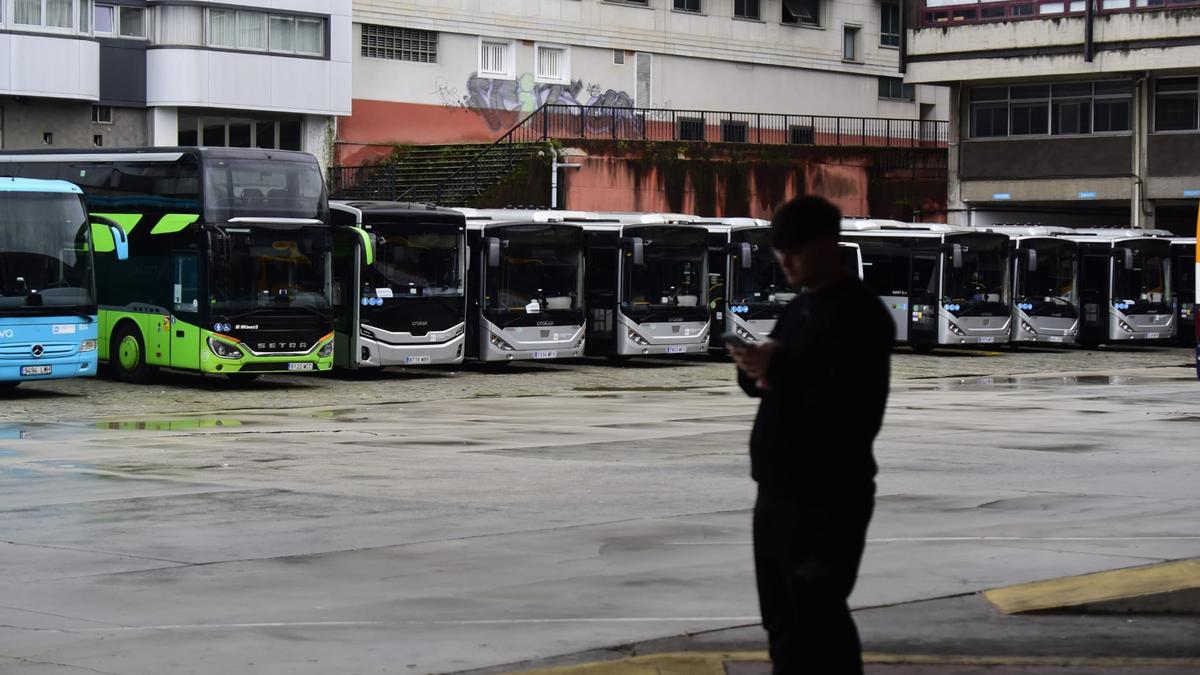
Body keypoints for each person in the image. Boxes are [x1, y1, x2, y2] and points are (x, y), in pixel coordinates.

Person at [730, 196, 895, 675]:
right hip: (778, 492)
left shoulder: (860, 314)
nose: (785, 262)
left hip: (826, 495)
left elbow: (848, 405)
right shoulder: (800, 307)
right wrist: (755, 368)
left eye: (794, 251)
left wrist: (777, 367)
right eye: (780, 253)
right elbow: (780, 376)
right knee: (782, 619)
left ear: (828, 244)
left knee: (817, 614)